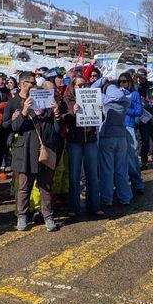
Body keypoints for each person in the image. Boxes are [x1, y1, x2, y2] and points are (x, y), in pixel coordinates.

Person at [4, 71, 62, 231]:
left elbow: (57, 130)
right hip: (26, 152)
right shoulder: (23, 108)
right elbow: (14, 127)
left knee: (46, 186)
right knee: (24, 187)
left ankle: (48, 217)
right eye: (34, 94)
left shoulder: (49, 111)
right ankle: (22, 216)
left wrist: (56, 113)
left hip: (45, 152)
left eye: (41, 95)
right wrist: (23, 111)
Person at [62, 74, 102, 217]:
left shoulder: (93, 95)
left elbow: (99, 118)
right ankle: (74, 207)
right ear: (73, 86)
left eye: (85, 85)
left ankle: (94, 206)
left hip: (90, 138)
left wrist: (99, 109)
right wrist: (73, 112)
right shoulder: (67, 100)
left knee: (92, 174)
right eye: (80, 85)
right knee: (74, 175)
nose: (83, 87)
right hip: (75, 140)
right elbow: (65, 119)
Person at [94, 72, 133, 207]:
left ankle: (107, 198)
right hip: (121, 136)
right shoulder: (126, 98)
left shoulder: (105, 99)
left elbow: (92, 89)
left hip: (107, 135)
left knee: (107, 169)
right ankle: (125, 197)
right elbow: (121, 93)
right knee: (121, 169)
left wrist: (103, 80)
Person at [121, 72, 145, 195]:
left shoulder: (134, 94)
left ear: (129, 82)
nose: (122, 83)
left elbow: (139, 111)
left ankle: (138, 183)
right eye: (120, 81)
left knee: (132, 157)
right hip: (117, 127)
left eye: (124, 81)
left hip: (129, 126)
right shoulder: (117, 93)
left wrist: (125, 108)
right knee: (120, 158)